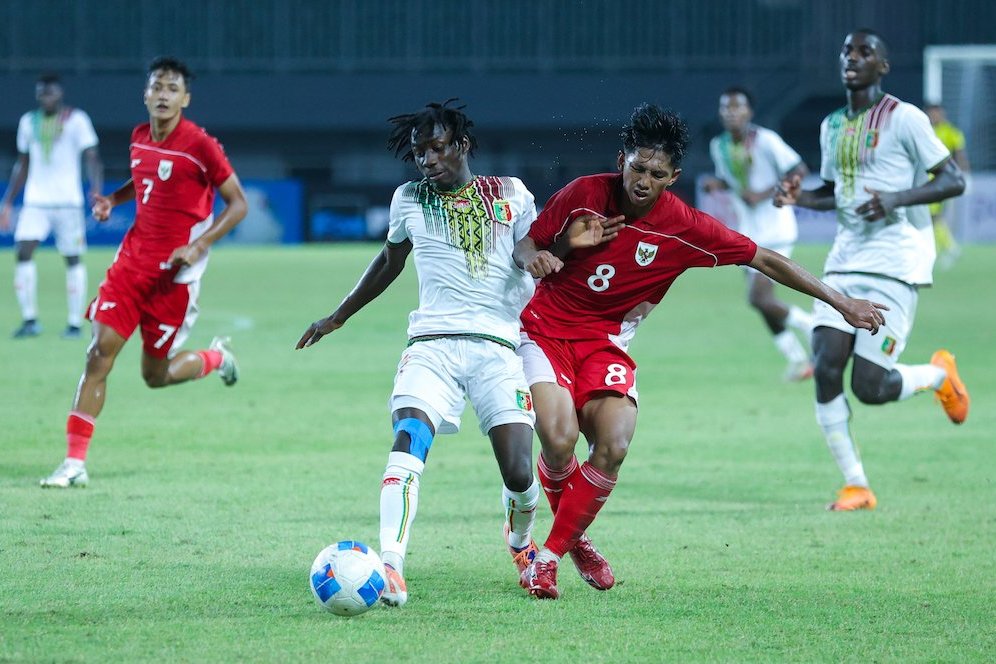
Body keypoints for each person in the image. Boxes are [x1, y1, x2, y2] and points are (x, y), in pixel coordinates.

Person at [513, 102, 887, 599]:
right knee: (559, 440)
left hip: (606, 342)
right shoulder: (584, 194)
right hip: (546, 332)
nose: (643, 181)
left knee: (615, 443)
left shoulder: (685, 226)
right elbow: (526, 245)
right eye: (637, 168)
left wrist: (841, 302)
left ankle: (550, 555)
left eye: (657, 174)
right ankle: (573, 539)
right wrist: (544, 255)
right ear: (622, 160)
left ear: (673, 178)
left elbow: (765, 259)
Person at [296, 101, 541, 608]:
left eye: (437, 147)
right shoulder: (408, 199)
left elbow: (525, 248)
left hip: (497, 347)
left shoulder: (511, 193)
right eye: (419, 152)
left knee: (519, 473)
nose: (427, 160)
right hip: (431, 345)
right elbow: (389, 260)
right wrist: (338, 316)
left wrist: (536, 258)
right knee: (409, 437)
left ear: (461, 145)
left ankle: (520, 542)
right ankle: (391, 566)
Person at [774, 29, 968, 512]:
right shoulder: (831, 125)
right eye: (847, 50)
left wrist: (896, 198)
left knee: (870, 387)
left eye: (865, 52)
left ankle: (938, 376)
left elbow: (953, 180)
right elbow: (835, 194)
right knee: (825, 367)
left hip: (894, 262)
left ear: (882, 66)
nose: (853, 58)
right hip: (843, 262)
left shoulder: (906, 118)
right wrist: (800, 199)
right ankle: (856, 484)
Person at [39, 56, 247, 489]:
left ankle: (215, 358)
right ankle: (74, 464)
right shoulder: (139, 137)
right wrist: (112, 201)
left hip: (174, 280)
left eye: (172, 88)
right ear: (146, 94)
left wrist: (199, 245)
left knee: (156, 376)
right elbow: (143, 177)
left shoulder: (201, 145)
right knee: (98, 354)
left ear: (185, 99)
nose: (163, 95)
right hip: (130, 266)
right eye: (157, 87)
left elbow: (238, 203)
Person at [703, 87, 814, 381]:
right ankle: (798, 359)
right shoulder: (719, 146)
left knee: (758, 297)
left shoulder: (766, 140)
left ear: (749, 112)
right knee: (762, 302)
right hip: (748, 232)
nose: (731, 113)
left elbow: (798, 169)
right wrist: (717, 184)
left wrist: (765, 193)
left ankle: (812, 326)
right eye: (726, 107)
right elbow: (733, 181)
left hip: (776, 228)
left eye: (737, 107)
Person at [1, 72, 103, 339]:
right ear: (37, 95)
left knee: (72, 257)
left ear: (60, 94)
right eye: (42, 92)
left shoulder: (77, 120)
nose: (46, 97)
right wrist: (8, 201)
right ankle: (30, 320)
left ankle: (74, 324)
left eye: (50, 92)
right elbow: (23, 163)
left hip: (69, 202)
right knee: (23, 251)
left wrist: (96, 190)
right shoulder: (28, 122)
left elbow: (92, 157)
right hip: (36, 201)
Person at [924, 103, 971, 268]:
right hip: (925, 179)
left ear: (942, 114)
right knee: (932, 218)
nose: (934, 116)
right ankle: (944, 248)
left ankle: (948, 248)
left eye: (936, 113)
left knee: (933, 216)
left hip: (942, 180)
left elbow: (960, 155)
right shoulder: (925, 130)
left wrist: (965, 176)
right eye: (931, 113)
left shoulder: (952, 132)